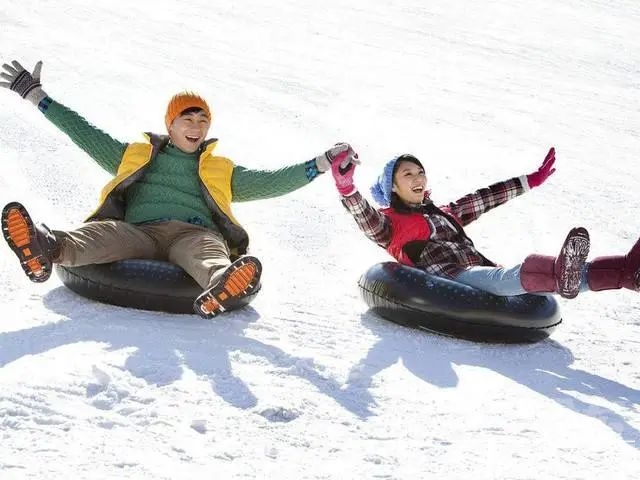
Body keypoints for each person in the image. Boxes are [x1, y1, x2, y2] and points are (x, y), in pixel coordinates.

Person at [0, 59, 357, 318]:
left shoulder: (219, 168)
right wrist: (36, 96)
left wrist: (321, 163)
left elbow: (270, 181)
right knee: (103, 234)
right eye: (188, 119)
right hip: (140, 232)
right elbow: (84, 132)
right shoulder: (136, 155)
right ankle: (45, 246)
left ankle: (224, 283)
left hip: (192, 233)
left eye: (203, 121)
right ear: (170, 124)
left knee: (207, 251)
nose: (196, 126)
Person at [328, 147, 640, 298]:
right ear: (392, 187)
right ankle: (562, 272)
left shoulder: (444, 211)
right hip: (454, 279)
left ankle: (627, 271)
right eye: (407, 174)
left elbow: (487, 197)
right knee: (514, 274)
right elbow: (365, 219)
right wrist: (347, 188)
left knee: (571, 277)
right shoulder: (390, 223)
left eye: (420, 172)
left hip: (478, 270)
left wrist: (531, 180)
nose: (418, 178)